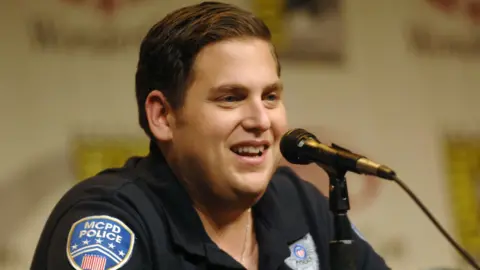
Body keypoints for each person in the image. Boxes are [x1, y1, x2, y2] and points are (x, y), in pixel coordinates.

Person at [31, 1, 390, 269]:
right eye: (231, 98)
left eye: (270, 97)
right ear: (163, 116)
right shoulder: (111, 222)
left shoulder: (297, 202)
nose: (260, 120)